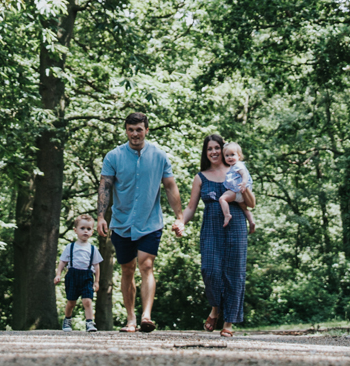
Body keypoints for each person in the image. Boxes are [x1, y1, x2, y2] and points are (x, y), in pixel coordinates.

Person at [96, 111, 186, 333]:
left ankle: (146, 316)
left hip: (150, 221)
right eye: (131, 129)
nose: (135, 134)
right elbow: (105, 187)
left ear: (147, 130)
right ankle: (131, 319)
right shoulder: (114, 156)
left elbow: (170, 186)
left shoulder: (160, 156)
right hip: (121, 222)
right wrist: (100, 216)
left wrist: (180, 217)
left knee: (146, 265)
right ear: (126, 130)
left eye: (139, 129)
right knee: (127, 269)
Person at [181, 132, 248, 339]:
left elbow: (248, 201)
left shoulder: (236, 171)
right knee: (209, 269)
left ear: (223, 149)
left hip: (236, 223)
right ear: (205, 152)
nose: (213, 152)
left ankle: (228, 323)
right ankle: (215, 308)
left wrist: (251, 216)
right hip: (211, 226)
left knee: (234, 272)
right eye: (209, 149)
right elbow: (191, 207)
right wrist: (180, 222)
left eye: (216, 148)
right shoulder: (200, 177)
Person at [56, 214, 102, 332]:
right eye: (82, 228)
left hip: (87, 276)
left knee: (87, 301)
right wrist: (58, 274)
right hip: (72, 276)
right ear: (75, 230)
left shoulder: (93, 249)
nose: (85, 231)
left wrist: (96, 281)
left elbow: (96, 265)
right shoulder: (70, 247)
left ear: (92, 231)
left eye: (89, 229)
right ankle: (67, 320)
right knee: (71, 301)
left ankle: (90, 323)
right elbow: (62, 262)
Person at [218, 140, 256, 233]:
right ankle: (251, 221)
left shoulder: (238, 165)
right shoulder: (233, 166)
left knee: (222, 199)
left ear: (239, 156)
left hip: (238, 190)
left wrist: (243, 183)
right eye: (227, 156)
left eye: (232, 155)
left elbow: (244, 174)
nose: (230, 157)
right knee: (244, 208)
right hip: (239, 193)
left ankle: (227, 215)